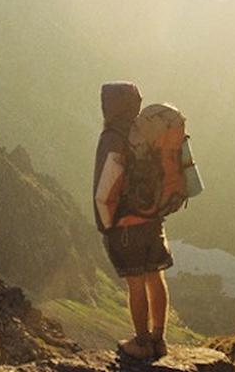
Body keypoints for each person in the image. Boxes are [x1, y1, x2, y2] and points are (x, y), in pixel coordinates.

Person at [93, 82, 173, 360]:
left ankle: (141, 343)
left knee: (136, 284)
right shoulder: (146, 133)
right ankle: (159, 340)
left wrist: (106, 225)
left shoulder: (113, 137)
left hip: (126, 225)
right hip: (153, 219)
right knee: (155, 276)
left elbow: (106, 187)